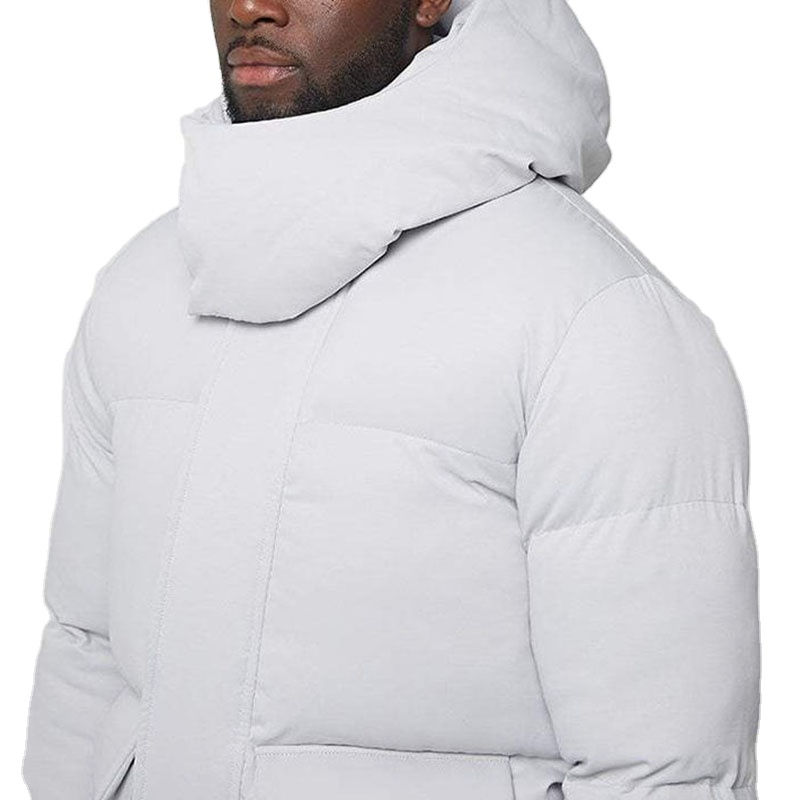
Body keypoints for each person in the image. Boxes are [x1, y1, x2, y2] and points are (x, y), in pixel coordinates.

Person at [22, 1, 760, 799]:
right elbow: (87, 652)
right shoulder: (142, 287)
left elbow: (663, 765)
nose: (248, 7)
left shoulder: (587, 313)